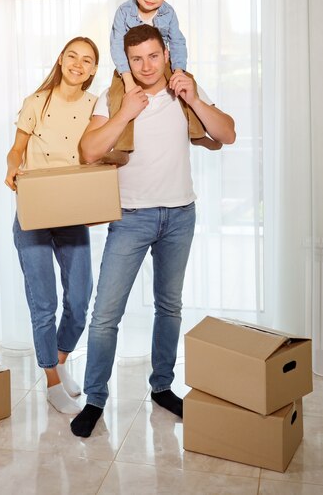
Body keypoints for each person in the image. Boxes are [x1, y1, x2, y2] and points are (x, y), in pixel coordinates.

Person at [70, 25, 235, 437]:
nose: (146, 66)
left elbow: (227, 133)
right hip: (130, 218)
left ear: (166, 54)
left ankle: (162, 386)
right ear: (127, 61)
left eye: (153, 56)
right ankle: (94, 398)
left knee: (170, 306)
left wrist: (194, 98)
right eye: (136, 59)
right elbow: (89, 151)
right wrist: (126, 111)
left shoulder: (186, 90)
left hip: (180, 215)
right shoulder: (115, 97)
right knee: (106, 314)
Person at [5, 36, 99, 415]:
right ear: (61, 59)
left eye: (87, 60)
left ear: (94, 70)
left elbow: (96, 152)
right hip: (33, 214)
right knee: (43, 303)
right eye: (72, 56)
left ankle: (59, 358)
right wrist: (12, 166)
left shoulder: (96, 107)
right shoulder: (37, 102)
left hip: (71, 213)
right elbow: (16, 148)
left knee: (79, 298)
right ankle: (52, 380)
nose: (78, 64)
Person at [108, 0, 221, 155]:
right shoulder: (124, 12)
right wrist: (127, 79)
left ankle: (197, 133)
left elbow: (177, 42)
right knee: (119, 95)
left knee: (186, 86)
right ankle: (123, 147)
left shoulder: (168, 14)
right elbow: (117, 44)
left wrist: (178, 71)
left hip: (161, 63)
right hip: (129, 66)